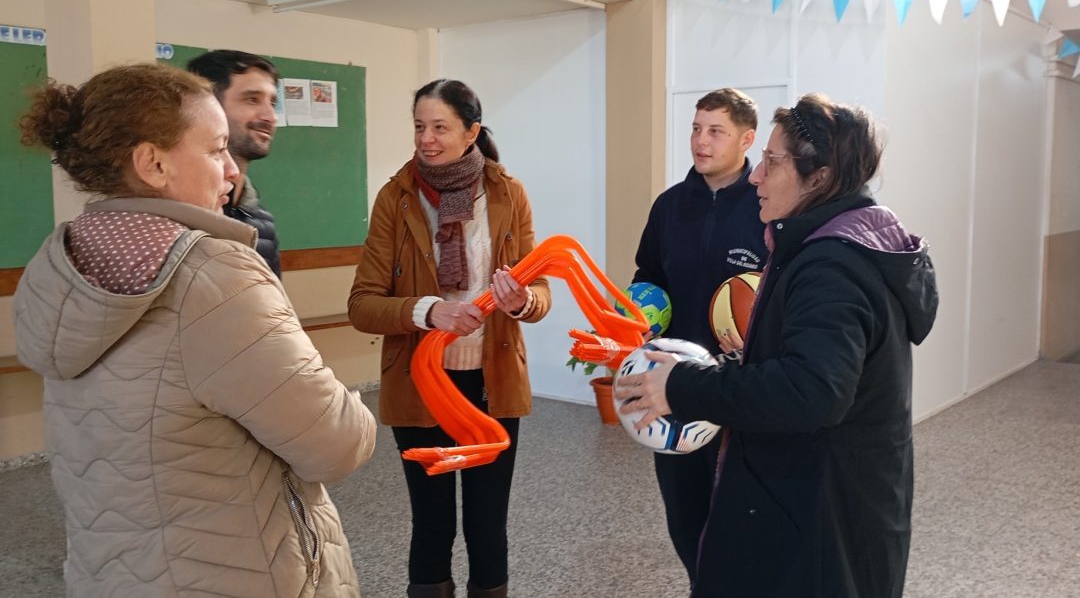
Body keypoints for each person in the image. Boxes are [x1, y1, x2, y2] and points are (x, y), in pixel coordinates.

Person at [14, 63, 377, 597]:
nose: (231, 170)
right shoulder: (214, 276)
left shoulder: (61, 265)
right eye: (215, 150)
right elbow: (336, 445)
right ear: (153, 163)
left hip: (114, 572)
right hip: (235, 573)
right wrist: (338, 394)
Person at [615, 93, 939, 597]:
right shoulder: (825, 246)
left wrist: (682, 386)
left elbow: (813, 391)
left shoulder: (833, 267)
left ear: (819, 177)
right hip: (823, 498)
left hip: (821, 511)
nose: (757, 177)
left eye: (772, 161)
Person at [348, 79, 551, 598]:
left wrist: (520, 302)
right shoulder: (395, 198)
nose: (426, 139)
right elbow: (363, 305)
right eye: (419, 126)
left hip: (492, 382)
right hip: (420, 384)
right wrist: (430, 311)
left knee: (488, 522)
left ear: (471, 132)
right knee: (432, 522)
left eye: (440, 127)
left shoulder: (509, 194)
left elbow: (540, 293)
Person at [630, 88, 767, 579]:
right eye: (695, 129)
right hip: (674, 387)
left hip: (738, 391)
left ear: (746, 139)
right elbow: (648, 277)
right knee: (685, 514)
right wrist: (633, 317)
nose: (700, 141)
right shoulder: (669, 206)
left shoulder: (766, 206)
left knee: (742, 519)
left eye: (716, 132)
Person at [187, 49, 282, 276]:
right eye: (252, 99)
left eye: (272, 102)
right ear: (210, 106)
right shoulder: (181, 217)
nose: (270, 117)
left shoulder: (262, 220)